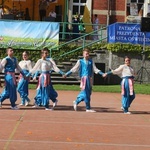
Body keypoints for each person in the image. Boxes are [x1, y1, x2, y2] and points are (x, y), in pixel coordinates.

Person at [63, 48, 106, 112]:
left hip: (89, 78)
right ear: (83, 54)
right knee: (86, 93)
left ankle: (77, 101)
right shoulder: (80, 61)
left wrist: (102, 73)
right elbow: (74, 69)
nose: (87, 55)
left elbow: (95, 69)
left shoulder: (91, 61)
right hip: (84, 79)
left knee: (88, 93)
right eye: (86, 54)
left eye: (88, 53)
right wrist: (67, 74)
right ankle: (87, 108)